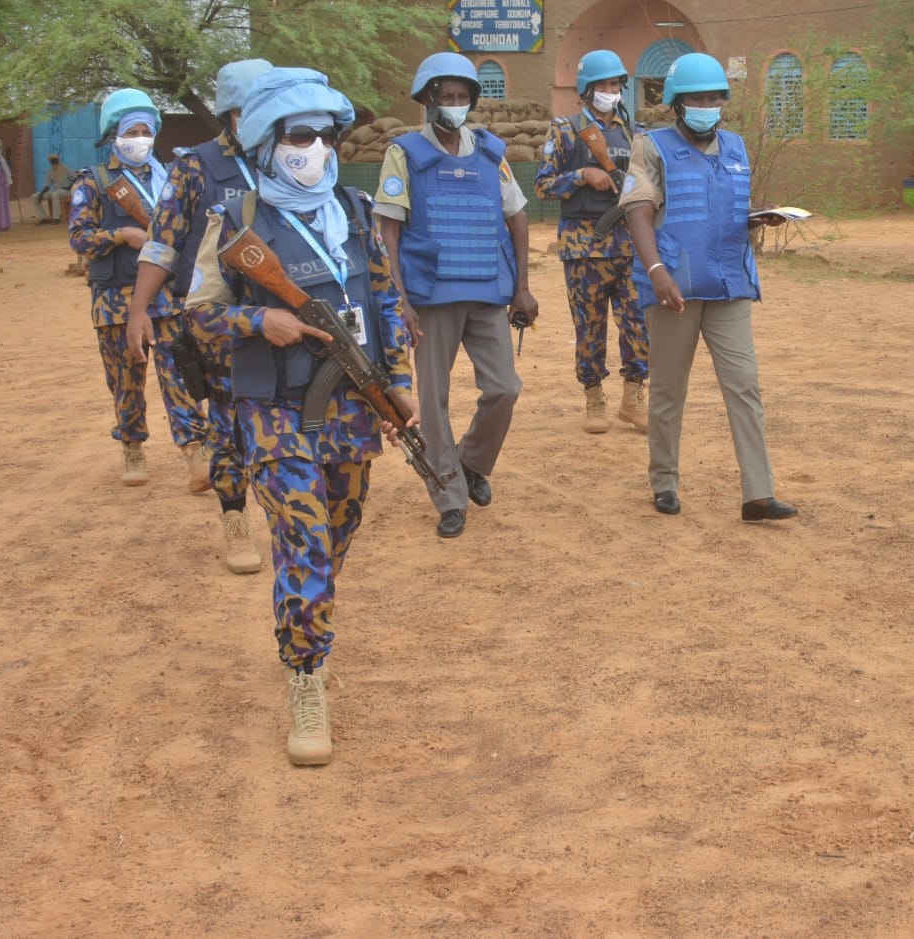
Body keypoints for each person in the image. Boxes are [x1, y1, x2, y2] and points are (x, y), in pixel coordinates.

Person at [186, 66, 418, 766]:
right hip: (273, 410)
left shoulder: (350, 210)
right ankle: (307, 674)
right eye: (298, 135)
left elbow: (383, 302)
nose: (313, 147)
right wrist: (261, 318)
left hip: (351, 404)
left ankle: (304, 615)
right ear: (266, 142)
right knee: (305, 541)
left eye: (323, 134)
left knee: (334, 535)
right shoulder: (237, 223)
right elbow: (196, 318)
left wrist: (399, 378)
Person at [616, 52, 797, 523]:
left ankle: (758, 494)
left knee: (744, 386)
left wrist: (761, 215)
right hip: (674, 287)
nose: (708, 105)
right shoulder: (651, 147)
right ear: (677, 103)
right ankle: (664, 481)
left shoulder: (735, 147)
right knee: (669, 390)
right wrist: (655, 270)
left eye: (715, 97)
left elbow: (727, 206)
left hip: (729, 285)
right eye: (697, 97)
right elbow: (637, 209)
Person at [374, 52, 538, 540]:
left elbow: (518, 218)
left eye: (463, 97)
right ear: (427, 100)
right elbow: (389, 230)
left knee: (505, 387)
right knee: (435, 400)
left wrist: (522, 288)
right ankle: (448, 494)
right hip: (431, 296)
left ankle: (471, 464)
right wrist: (399, 299)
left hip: (488, 289)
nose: (455, 105)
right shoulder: (404, 153)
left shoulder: (490, 152)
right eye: (446, 97)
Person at [128, 58, 273, 574]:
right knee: (228, 428)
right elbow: (162, 244)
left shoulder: (289, 157)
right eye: (254, 108)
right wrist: (140, 309)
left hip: (283, 323)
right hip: (219, 329)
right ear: (232, 113)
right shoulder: (196, 167)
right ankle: (235, 519)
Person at [67, 89, 212, 488]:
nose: (140, 138)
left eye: (145, 130)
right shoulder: (93, 182)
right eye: (131, 130)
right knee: (126, 380)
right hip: (116, 299)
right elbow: (79, 239)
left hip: (167, 298)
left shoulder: (172, 178)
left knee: (180, 375)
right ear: (113, 134)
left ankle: (196, 453)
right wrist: (120, 235)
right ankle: (132, 445)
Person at [534, 48, 649, 435]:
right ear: (586, 89)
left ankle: (633, 398)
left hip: (629, 244)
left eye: (615, 83)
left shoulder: (634, 132)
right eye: (603, 84)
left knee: (637, 321)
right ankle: (594, 396)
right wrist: (582, 174)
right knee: (589, 325)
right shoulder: (564, 129)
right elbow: (543, 186)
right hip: (584, 247)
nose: (610, 90)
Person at [34, 153, 74, 223]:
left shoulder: (66, 169)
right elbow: (47, 185)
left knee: (54, 194)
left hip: (66, 191)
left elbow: (75, 178)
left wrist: (69, 186)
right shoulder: (50, 171)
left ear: (58, 160)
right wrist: (41, 194)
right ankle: (43, 218)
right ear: (50, 162)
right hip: (56, 191)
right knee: (35, 196)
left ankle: (56, 218)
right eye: (52, 161)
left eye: (55, 160)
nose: (54, 162)